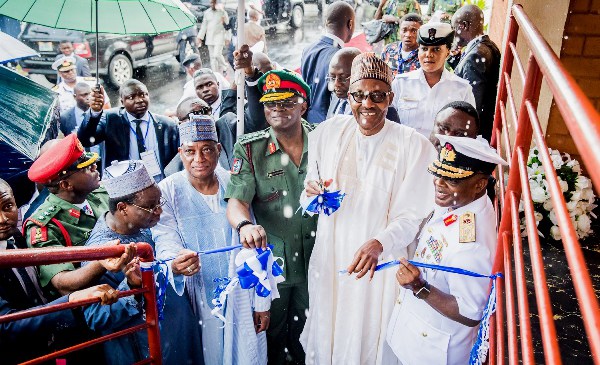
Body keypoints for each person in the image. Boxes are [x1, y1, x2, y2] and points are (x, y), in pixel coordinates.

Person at [300, 52, 437, 365]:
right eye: (359, 95)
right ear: (348, 96)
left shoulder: (412, 146)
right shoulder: (328, 133)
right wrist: (313, 194)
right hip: (334, 253)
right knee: (332, 329)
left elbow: (412, 217)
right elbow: (311, 194)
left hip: (381, 262)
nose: (367, 104)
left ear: (390, 97)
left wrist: (380, 243)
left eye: (377, 96)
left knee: (372, 337)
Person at [153, 118, 269, 364]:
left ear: (218, 150)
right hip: (197, 292)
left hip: (241, 293)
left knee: (245, 352)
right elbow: (164, 237)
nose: (199, 159)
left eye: (207, 149)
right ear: (179, 153)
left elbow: (257, 247)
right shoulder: (167, 190)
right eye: (190, 151)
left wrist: (262, 301)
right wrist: (176, 260)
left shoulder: (234, 183)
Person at [386, 135, 507, 365]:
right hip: (417, 335)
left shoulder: (471, 245)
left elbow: (471, 313)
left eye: (451, 179)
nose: (439, 182)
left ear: (480, 184)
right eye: (438, 173)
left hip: (432, 351)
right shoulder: (463, 200)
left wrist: (420, 288)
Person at [225, 69, 318, 364]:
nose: (278, 109)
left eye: (287, 102)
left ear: (303, 104)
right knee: (271, 338)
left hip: (319, 260)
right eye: (270, 103)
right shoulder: (251, 149)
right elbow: (237, 201)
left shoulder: (325, 141)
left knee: (314, 335)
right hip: (275, 266)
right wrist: (244, 224)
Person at [84, 160, 204, 364]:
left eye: (159, 203)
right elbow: (96, 317)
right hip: (146, 350)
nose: (159, 211)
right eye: (150, 206)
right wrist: (131, 286)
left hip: (180, 342)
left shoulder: (147, 225)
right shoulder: (101, 251)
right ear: (123, 208)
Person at [0, 178, 121, 365]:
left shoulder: (15, 237)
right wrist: (71, 301)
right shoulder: (34, 228)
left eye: (8, 206)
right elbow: (6, 325)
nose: (3, 219)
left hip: (50, 347)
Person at [23, 134, 135, 296]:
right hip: (97, 303)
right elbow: (62, 283)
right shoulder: (45, 225)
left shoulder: (100, 193)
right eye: (86, 168)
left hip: (129, 284)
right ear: (66, 184)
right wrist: (102, 260)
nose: (95, 167)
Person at [78, 79, 180, 180]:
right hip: (125, 189)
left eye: (143, 95)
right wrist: (95, 113)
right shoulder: (111, 120)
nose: (139, 100)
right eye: (131, 97)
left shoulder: (168, 125)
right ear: (122, 102)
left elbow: (178, 161)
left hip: (161, 186)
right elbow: (86, 140)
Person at [391, 22, 475, 137]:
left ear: (447, 52)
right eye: (424, 49)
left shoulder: (462, 89)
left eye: (436, 49)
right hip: (406, 152)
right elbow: (389, 124)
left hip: (443, 153)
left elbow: (468, 133)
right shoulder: (400, 84)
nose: (428, 54)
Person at [452, 5, 501, 142]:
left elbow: (474, 102)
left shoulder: (475, 55)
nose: (454, 34)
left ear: (464, 25)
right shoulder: (488, 46)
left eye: (454, 28)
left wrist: (464, 134)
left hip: (476, 133)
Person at [301, 1, 355, 124]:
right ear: (350, 24)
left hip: (307, 120)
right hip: (329, 121)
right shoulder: (340, 58)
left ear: (326, 22)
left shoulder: (308, 49)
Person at [193, 46, 268, 134]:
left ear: (217, 84)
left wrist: (250, 72)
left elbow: (256, 120)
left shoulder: (238, 100)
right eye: (200, 87)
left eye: (209, 84)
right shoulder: (194, 111)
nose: (205, 89)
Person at [326, 47, 401, 123]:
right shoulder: (336, 97)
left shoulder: (384, 110)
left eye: (343, 78)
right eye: (332, 77)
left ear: (361, 74)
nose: (336, 84)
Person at [164, 96, 235, 173]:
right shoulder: (174, 170)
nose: (203, 117)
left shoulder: (228, 126)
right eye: (195, 114)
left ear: (218, 148)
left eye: (206, 111)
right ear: (182, 124)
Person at [197, 0, 231, 75]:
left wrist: (228, 38)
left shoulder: (222, 12)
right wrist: (200, 37)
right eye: (211, 2)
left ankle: (225, 66)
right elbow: (204, 26)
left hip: (220, 36)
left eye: (214, 2)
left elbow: (227, 26)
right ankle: (215, 74)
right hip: (210, 37)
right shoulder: (207, 13)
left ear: (216, 3)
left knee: (217, 54)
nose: (212, 4)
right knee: (212, 58)